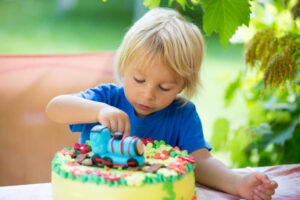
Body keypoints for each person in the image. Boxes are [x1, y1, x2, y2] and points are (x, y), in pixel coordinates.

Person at [46, 7, 278, 200]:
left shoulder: (183, 115)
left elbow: (201, 163)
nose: (148, 95)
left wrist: (237, 182)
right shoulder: (106, 98)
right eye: (139, 80)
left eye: (165, 88)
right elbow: (55, 108)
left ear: (183, 85)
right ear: (124, 67)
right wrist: (99, 110)